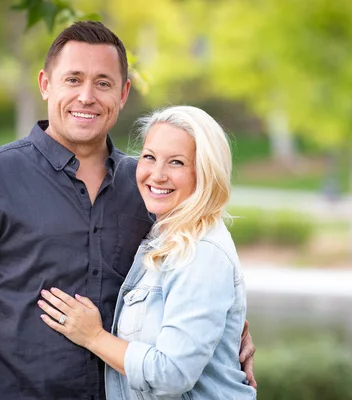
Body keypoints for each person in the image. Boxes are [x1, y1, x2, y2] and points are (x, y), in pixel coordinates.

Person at [0, 21, 255, 400]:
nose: (86, 96)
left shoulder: (148, 186)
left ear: (124, 92)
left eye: (103, 83)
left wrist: (229, 335)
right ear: (46, 83)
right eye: (73, 79)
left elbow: (191, 284)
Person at [37, 105, 257, 399]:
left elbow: (172, 374)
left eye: (176, 162)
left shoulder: (201, 252)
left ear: (205, 172)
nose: (157, 174)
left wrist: (93, 336)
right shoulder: (163, 236)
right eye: (149, 157)